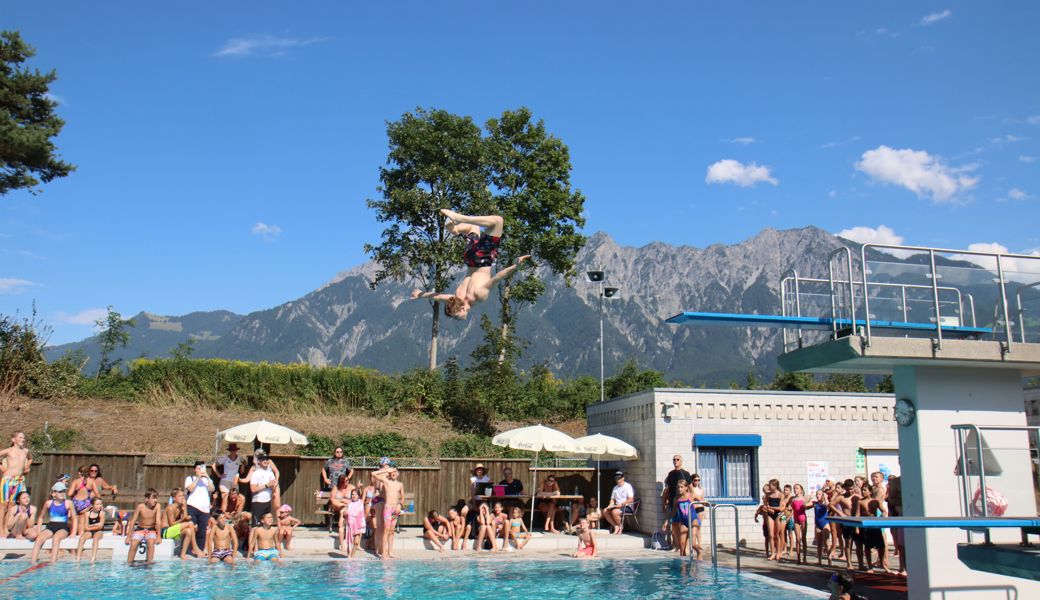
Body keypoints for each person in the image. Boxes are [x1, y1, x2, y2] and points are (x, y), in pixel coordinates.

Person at [410, 209, 531, 320]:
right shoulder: (456, 298)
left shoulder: (478, 296)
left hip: (482, 258)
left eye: (459, 316)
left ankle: (460, 218)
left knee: (498, 221)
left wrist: (515, 265)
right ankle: (456, 230)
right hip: (469, 257)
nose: (460, 318)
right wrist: (420, 295)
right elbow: (438, 296)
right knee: (473, 227)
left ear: (462, 309)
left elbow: (498, 277)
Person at [30, 482, 76, 563]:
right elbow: (41, 517)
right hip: (51, 526)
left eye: (64, 491)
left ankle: (52, 562)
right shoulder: (48, 503)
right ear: (54, 493)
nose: (62, 493)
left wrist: (73, 533)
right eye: (60, 491)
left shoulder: (68, 503)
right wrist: (38, 532)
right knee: (39, 539)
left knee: (56, 539)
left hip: (63, 527)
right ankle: (32, 562)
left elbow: (74, 518)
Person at [0, 431, 32, 538]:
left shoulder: (26, 451)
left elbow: (31, 458)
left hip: (18, 480)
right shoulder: (9, 451)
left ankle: (6, 527)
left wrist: (27, 465)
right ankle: (1, 529)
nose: (23, 439)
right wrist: (1, 467)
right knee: (3, 505)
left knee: (12, 505)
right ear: (14, 440)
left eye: (24, 438)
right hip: (8, 479)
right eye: (20, 437)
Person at [125, 488, 164, 564]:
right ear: (147, 499)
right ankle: (129, 563)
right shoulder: (140, 507)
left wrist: (159, 536)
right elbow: (133, 521)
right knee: (133, 544)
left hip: (151, 530)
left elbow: (158, 521)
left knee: (151, 542)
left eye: (156, 498)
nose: (155, 500)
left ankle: (149, 563)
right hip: (140, 529)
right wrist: (128, 536)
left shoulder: (157, 506)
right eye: (153, 498)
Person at [373, 466, 404, 559]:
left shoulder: (400, 484)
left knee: (392, 531)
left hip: (395, 509)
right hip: (388, 508)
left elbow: (402, 498)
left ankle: (390, 552)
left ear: (398, 474)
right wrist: (387, 470)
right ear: (390, 473)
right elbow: (373, 474)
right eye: (392, 472)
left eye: (395, 472)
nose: (394, 473)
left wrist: (400, 505)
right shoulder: (386, 481)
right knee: (386, 530)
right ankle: (384, 553)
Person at [184, 461, 215, 554]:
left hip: (204, 508)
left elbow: (212, 488)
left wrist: (206, 476)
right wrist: (198, 477)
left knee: (202, 530)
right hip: (192, 506)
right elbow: (190, 488)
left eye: (201, 468)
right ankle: (189, 548)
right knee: (192, 527)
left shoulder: (207, 480)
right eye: (198, 468)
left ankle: (199, 549)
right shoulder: (190, 478)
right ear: (194, 470)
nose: (199, 470)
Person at [163, 488, 203, 559]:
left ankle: (182, 554)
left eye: (183, 496)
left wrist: (184, 507)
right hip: (165, 531)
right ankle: (195, 547)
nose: (182, 497)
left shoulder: (180, 507)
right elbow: (171, 524)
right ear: (174, 498)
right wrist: (184, 519)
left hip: (172, 531)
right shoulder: (170, 508)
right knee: (190, 523)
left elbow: (186, 517)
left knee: (189, 531)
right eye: (179, 496)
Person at [662, 454, 692, 534]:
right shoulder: (671, 474)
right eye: (674, 459)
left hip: (683, 503)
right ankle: (675, 545)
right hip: (672, 502)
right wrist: (664, 503)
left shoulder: (685, 473)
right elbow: (667, 490)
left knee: (682, 524)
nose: (675, 461)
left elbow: (690, 488)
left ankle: (683, 545)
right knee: (674, 524)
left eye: (677, 459)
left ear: (681, 461)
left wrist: (690, 500)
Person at [212, 443, 247, 513]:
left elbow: (242, 472)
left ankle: (234, 514)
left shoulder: (240, 458)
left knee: (235, 499)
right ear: (229, 451)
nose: (233, 451)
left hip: (234, 481)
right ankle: (225, 513)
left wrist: (243, 464)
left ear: (236, 450)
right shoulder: (225, 458)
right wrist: (219, 475)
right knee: (225, 497)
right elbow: (214, 465)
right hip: (225, 480)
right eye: (231, 450)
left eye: (234, 450)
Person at [249, 453, 278, 525]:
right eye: (263, 459)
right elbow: (253, 489)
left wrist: (273, 487)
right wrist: (266, 485)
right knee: (255, 525)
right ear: (259, 462)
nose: (265, 461)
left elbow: (273, 487)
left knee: (266, 525)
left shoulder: (270, 473)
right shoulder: (255, 473)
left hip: (268, 501)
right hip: (258, 501)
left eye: (267, 459)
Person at [75, 497, 106, 562]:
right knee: (81, 539)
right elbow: (86, 527)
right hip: (89, 531)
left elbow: (100, 527)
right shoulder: (87, 514)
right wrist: (96, 525)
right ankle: (78, 558)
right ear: (92, 505)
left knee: (95, 539)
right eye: (97, 504)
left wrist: (90, 526)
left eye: (101, 504)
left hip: (99, 531)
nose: (99, 506)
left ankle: (93, 558)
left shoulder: (102, 513)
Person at [667, 479, 693, 557]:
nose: (679, 489)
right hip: (683, 522)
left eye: (681, 487)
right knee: (681, 545)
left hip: (692, 521)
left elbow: (698, 503)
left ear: (686, 488)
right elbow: (674, 511)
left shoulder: (690, 496)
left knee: (690, 546)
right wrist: (667, 521)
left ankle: (698, 555)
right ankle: (683, 565)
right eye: (678, 487)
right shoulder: (677, 499)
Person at [887, 475, 906, 575]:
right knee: (902, 545)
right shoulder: (897, 481)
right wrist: (906, 500)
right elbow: (891, 499)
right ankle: (902, 568)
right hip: (902, 516)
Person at [342, 489, 365, 558]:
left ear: (358, 495)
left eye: (355, 494)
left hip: (357, 524)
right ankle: (349, 556)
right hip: (350, 523)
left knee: (356, 542)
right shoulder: (349, 503)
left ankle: (352, 556)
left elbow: (359, 512)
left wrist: (360, 487)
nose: (354, 496)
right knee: (349, 541)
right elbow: (345, 512)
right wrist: (345, 513)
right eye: (352, 494)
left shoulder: (360, 503)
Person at [790, 483, 808, 564]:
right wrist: (786, 518)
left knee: (803, 539)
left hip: (803, 518)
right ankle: (798, 558)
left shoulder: (804, 499)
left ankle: (804, 558)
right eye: (794, 488)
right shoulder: (793, 500)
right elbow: (791, 510)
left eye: (797, 488)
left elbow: (807, 505)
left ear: (801, 490)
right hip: (796, 519)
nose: (795, 490)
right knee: (798, 539)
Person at [689, 474, 706, 559]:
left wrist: (704, 510)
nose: (697, 481)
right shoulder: (691, 489)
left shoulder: (701, 489)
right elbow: (691, 498)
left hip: (700, 509)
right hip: (694, 508)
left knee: (699, 527)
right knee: (694, 527)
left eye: (698, 480)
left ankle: (699, 544)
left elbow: (702, 499)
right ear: (692, 480)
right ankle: (694, 543)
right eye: (695, 480)